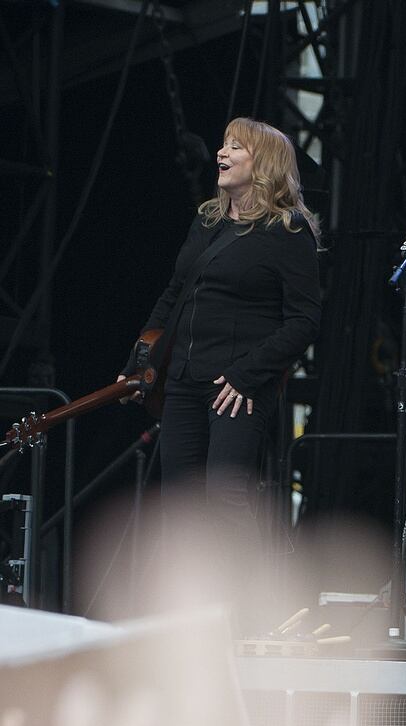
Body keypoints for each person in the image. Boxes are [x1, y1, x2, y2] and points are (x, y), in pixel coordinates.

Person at [122, 117, 321, 619]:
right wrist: (140, 364)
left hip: (237, 388)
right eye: (223, 144)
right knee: (183, 510)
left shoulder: (287, 230)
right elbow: (174, 295)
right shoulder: (206, 221)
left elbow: (304, 320)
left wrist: (248, 373)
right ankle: (191, 618)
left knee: (225, 499)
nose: (221, 153)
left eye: (236, 147)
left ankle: (253, 614)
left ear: (265, 164)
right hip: (184, 381)